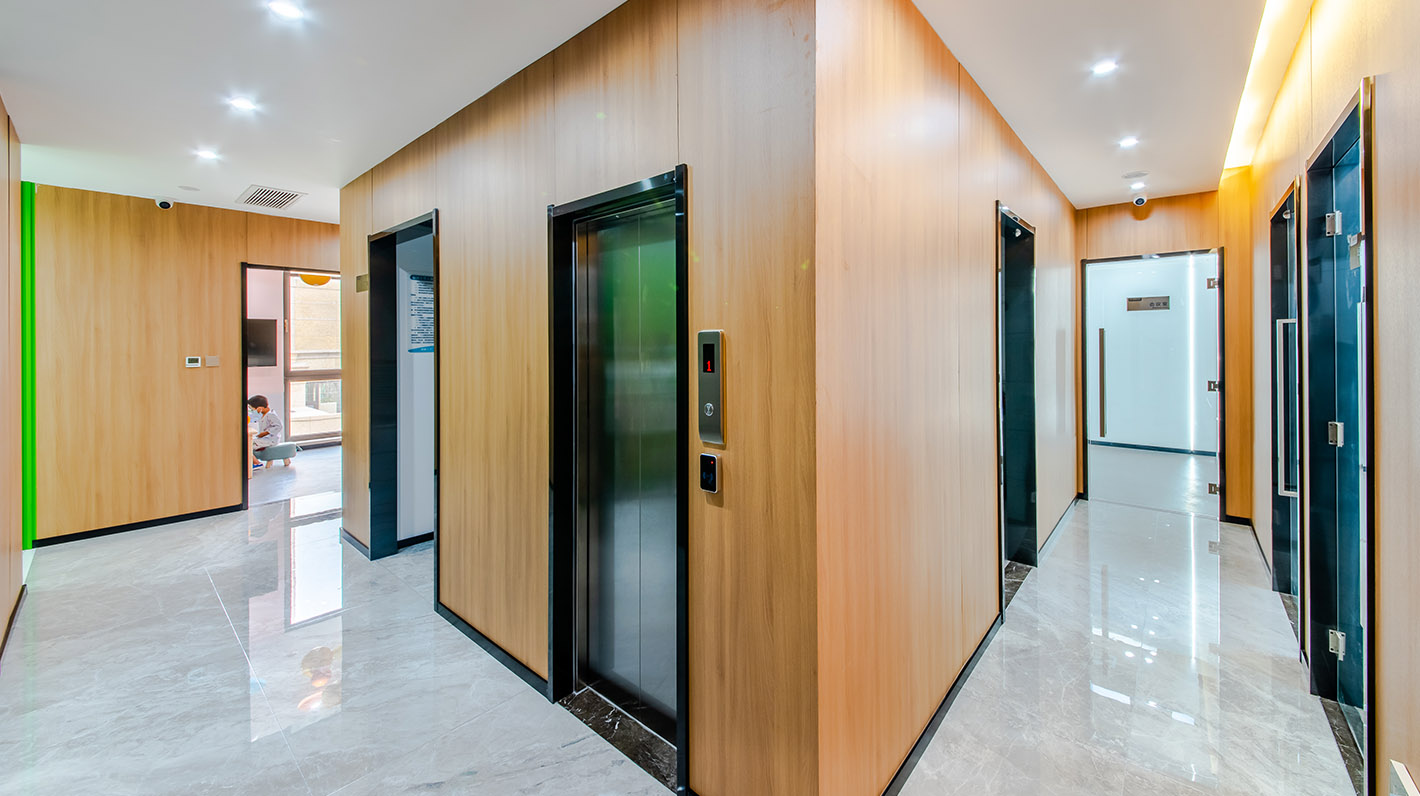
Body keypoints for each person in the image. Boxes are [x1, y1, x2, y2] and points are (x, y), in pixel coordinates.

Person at [247, 395, 289, 468]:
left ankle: (256, 463)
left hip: (270, 440)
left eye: (252, 409)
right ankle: (253, 462)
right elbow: (253, 418)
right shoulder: (263, 414)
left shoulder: (271, 415)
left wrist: (266, 433)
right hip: (265, 438)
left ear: (260, 408)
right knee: (248, 442)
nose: (252, 411)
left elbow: (279, 426)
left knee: (247, 445)